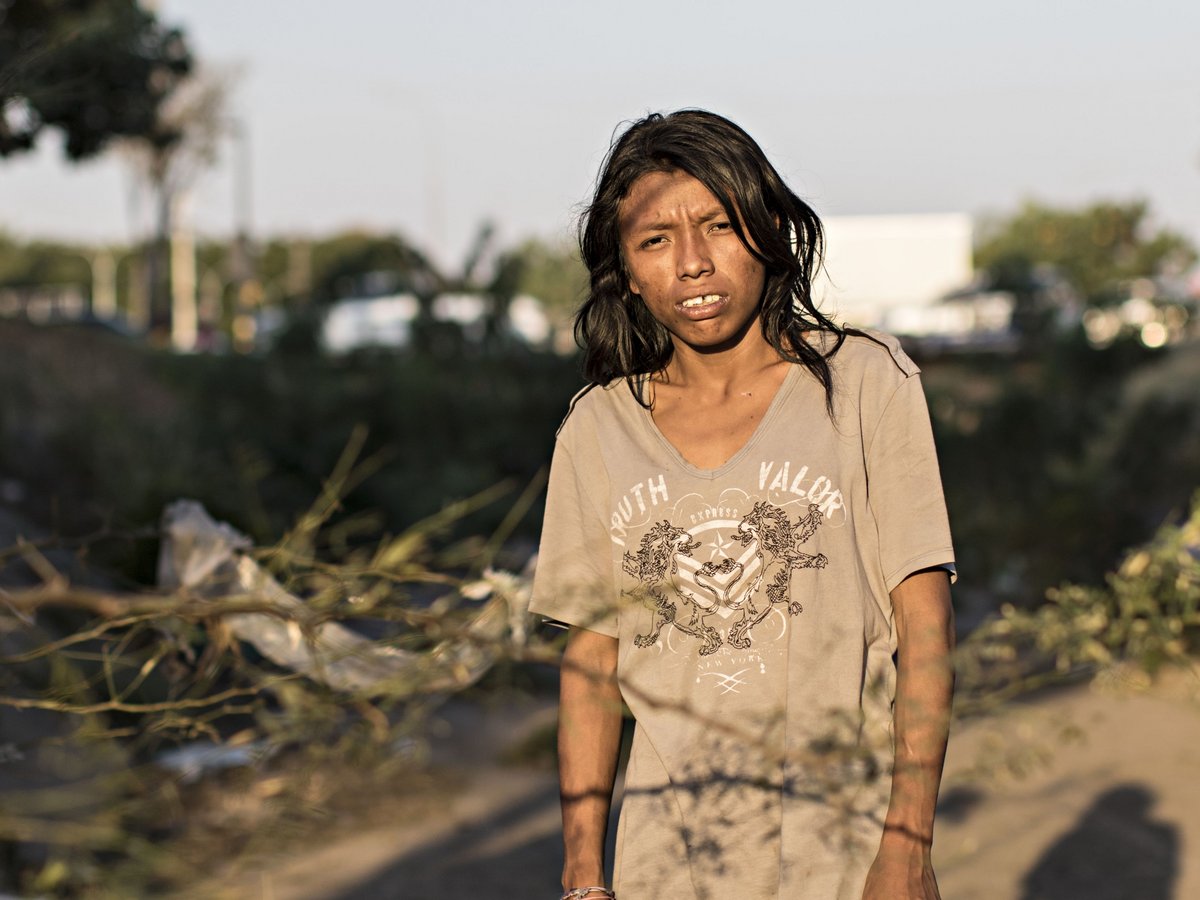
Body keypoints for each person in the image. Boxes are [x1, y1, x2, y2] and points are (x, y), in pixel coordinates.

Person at [530, 109, 956, 900]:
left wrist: (907, 844)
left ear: (768, 232)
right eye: (655, 240)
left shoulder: (865, 384)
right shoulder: (599, 429)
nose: (692, 263)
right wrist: (584, 876)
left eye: (719, 226)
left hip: (845, 849)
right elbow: (592, 668)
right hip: (671, 863)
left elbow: (924, 625)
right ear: (626, 271)